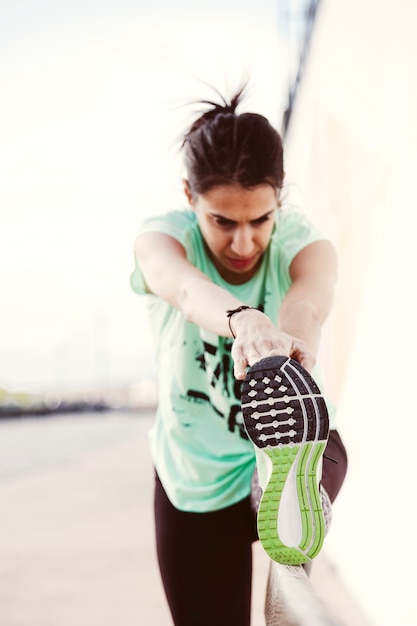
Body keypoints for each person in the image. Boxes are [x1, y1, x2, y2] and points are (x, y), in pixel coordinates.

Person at [130, 86, 347, 626]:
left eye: (261, 220)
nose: (245, 243)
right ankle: (285, 485)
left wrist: (287, 345)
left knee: (313, 454)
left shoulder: (308, 244)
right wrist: (242, 319)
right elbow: (181, 290)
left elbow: (309, 304)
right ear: (189, 196)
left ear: (281, 200)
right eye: (223, 222)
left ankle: (288, 476)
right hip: (194, 478)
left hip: (287, 461)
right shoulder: (162, 239)